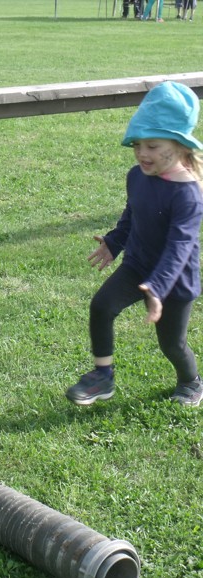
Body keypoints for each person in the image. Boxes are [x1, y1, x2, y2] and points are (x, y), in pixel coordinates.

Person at [66, 81, 203, 408]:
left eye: (153, 146)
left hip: (173, 281)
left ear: (179, 146)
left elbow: (179, 247)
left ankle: (191, 382)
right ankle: (103, 376)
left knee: (171, 344)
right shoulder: (137, 176)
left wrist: (157, 287)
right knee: (102, 306)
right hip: (137, 266)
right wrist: (114, 242)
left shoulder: (188, 194)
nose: (142, 153)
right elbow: (133, 213)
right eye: (137, 144)